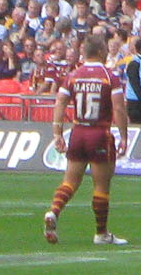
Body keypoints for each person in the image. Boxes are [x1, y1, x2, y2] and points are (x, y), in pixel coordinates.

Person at [45, 29, 129, 245]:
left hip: (78, 132)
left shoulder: (73, 75)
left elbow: (60, 102)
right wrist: (124, 136)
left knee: (70, 181)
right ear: (100, 51)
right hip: (99, 133)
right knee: (101, 185)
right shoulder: (109, 76)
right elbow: (119, 108)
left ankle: (54, 211)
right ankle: (101, 234)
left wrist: (57, 133)